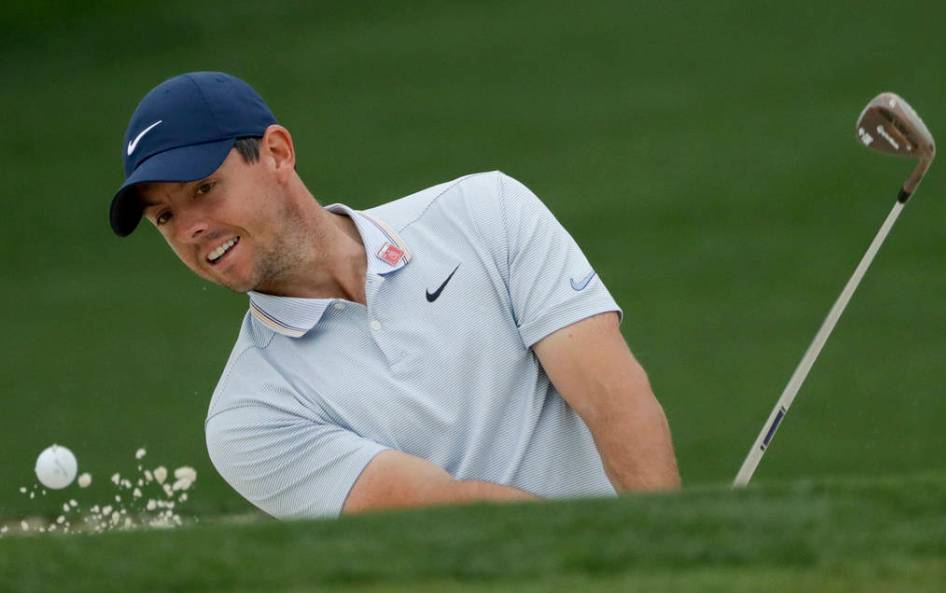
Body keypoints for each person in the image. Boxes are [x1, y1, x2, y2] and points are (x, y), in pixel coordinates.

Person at [109, 71, 680, 519]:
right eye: (165, 217)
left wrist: (664, 545)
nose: (190, 229)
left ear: (278, 153)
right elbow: (448, 513)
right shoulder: (249, 416)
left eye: (204, 189)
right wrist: (621, 568)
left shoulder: (485, 212)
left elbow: (613, 396)